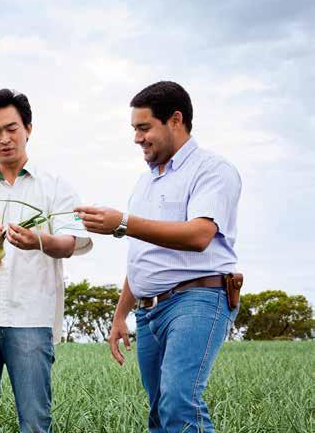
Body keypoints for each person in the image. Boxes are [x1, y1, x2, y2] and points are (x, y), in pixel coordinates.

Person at [76, 81, 242, 432]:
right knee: (160, 411)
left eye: (144, 127)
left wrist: (122, 221)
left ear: (175, 120)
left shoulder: (212, 169)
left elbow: (200, 235)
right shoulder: (145, 183)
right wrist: (121, 313)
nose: (138, 138)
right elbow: (142, 257)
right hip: (149, 311)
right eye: (135, 129)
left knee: (180, 402)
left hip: (198, 297)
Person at [0, 89, 93, 433]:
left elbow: (74, 241)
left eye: (11, 129)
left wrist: (38, 240)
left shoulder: (58, 188)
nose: (4, 139)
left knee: (35, 422)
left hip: (31, 317)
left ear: (28, 128)